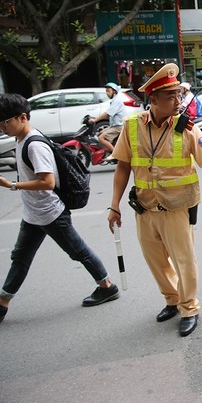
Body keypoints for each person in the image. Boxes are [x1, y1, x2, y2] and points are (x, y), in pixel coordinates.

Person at [107, 63, 202, 337]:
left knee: (183, 260)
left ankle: (189, 307)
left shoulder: (187, 128)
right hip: (145, 206)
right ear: (153, 100)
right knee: (156, 260)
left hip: (176, 208)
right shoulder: (132, 127)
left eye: (179, 95)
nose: (178, 101)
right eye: (170, 96)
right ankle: (172, 300)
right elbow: (123, 166)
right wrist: (114, 205)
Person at [0, 94, 119, 323]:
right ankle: (3, 302)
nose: (2, 127)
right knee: (21, 257)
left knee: (78, 251)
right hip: (34, 213)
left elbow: (48, 182)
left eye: (5, 122)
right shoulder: (21, 139)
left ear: (22, 117)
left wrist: (13, 185)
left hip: (50, 213)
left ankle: (107, 286)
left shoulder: (33, 145)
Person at [88, 82, 128, 160]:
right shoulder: (114, 101)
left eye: (108, 91)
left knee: (101, 138)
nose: (107, 93)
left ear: (114, 91)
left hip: (119, 126)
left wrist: (95, 120)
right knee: (100, 132)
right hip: (115, 126)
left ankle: (115, 155)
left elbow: (107, 114)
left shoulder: (116, 101)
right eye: (106, 91)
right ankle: (109, 150)